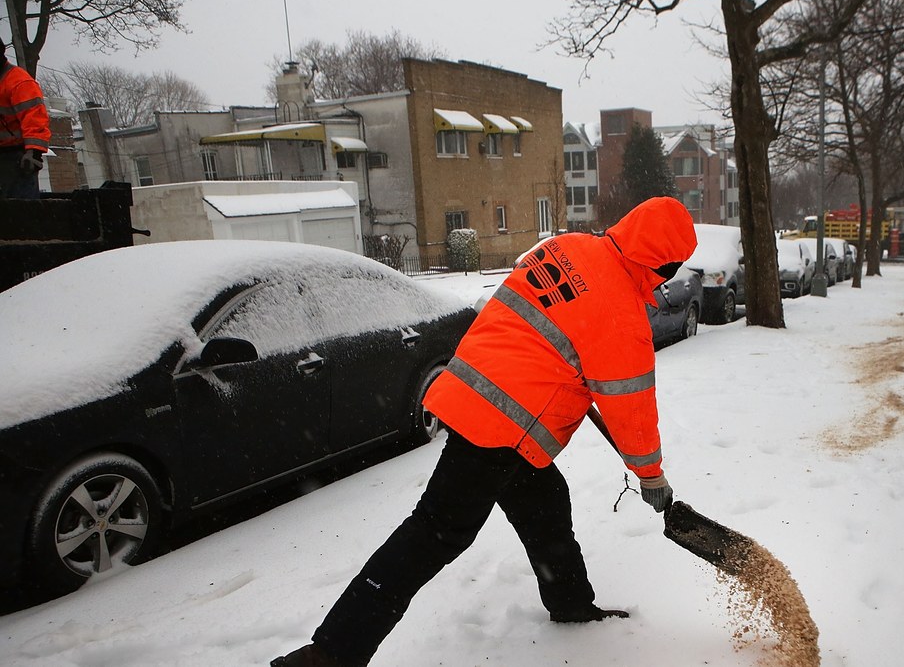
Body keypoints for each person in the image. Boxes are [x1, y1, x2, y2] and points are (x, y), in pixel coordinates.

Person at [272, 196, 698, 667]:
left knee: (544, 502)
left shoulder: (568, 247)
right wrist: (650, 474)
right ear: (664, 263)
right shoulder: (621, 311)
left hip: (469, 394)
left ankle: (571, 603)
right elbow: (630, 406)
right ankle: (328, 653)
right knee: (435, 532)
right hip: (503, 425)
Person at [0, 45, 50, 200]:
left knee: (20, 210)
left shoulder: (18, 82)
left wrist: (33, 152)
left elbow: (34, 118)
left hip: (17, 157)